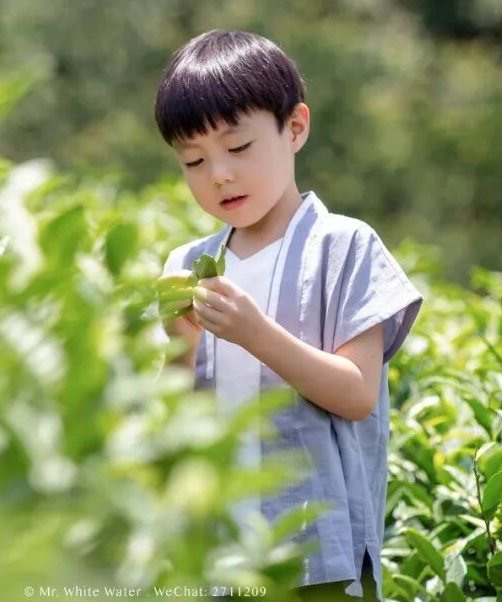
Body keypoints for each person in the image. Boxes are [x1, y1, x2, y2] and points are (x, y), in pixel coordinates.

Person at [151, 30, 424, 602]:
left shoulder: (343, 245)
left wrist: (254, 333)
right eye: (194, 160)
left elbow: (356, 394)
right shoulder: (190, 264)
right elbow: (170, 427)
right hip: (218, 556)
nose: (218, 174)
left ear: (295, 127)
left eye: (238, 148)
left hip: (317, 555)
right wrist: (180, 345)